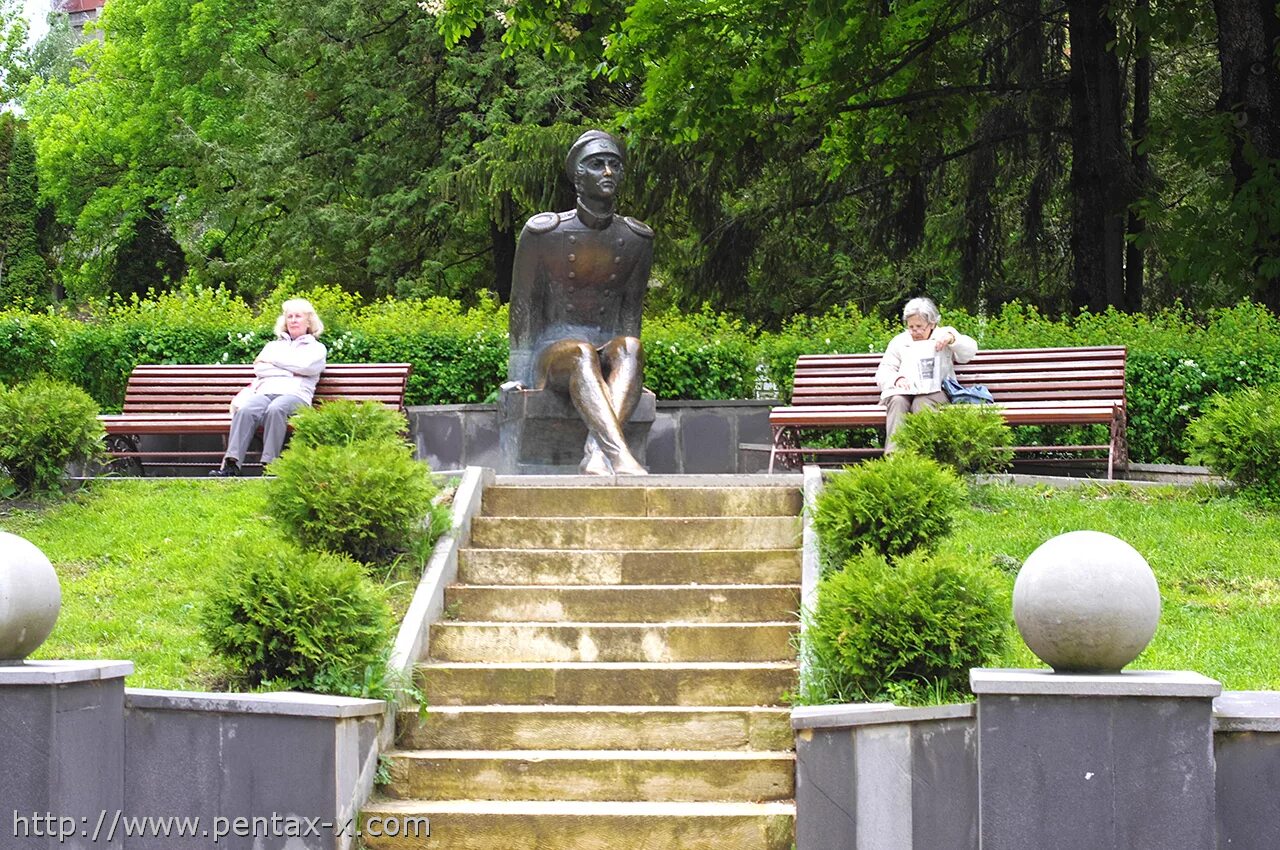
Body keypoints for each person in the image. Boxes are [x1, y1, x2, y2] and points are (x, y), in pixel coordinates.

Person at [508, 129, 653, 475]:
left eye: (614, 165)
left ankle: (597, 451)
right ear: (578, 176)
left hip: (606, 346)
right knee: (581, 352)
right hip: (553, 351)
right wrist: (517, 375)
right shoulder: (544, 233)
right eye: (597, 164)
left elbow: (631, 310)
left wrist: (632, 373)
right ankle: (618, 455)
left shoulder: (636, 238)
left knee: (631, 347)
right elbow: (523, 306)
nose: (607, 172)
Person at [209, 299, 327, 477]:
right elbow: (260, 368)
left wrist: (275, 363)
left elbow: (308, 367)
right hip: (266, 391)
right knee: (246, 409)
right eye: (290, 316)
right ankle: (231, 465)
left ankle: (270, 466)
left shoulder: (316, 348)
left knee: (276, 409)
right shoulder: (273, 346)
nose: (293, 320)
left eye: (298, 316)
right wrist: (291, 371)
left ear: (309, 321)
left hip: (296, 396)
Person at [875, 296, 977, 452]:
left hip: (936, 392)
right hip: (906, 391)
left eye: (919, 326)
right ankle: (895, 458)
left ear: (932, 323)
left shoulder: (944, 335)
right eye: (911, 327)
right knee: (897, 401)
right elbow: (885, 369)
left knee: (921, 403)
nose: (915, 331)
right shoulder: (900, 341)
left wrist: (953, 340)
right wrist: (897, 379)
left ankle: (925, 455)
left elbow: (969, 352)